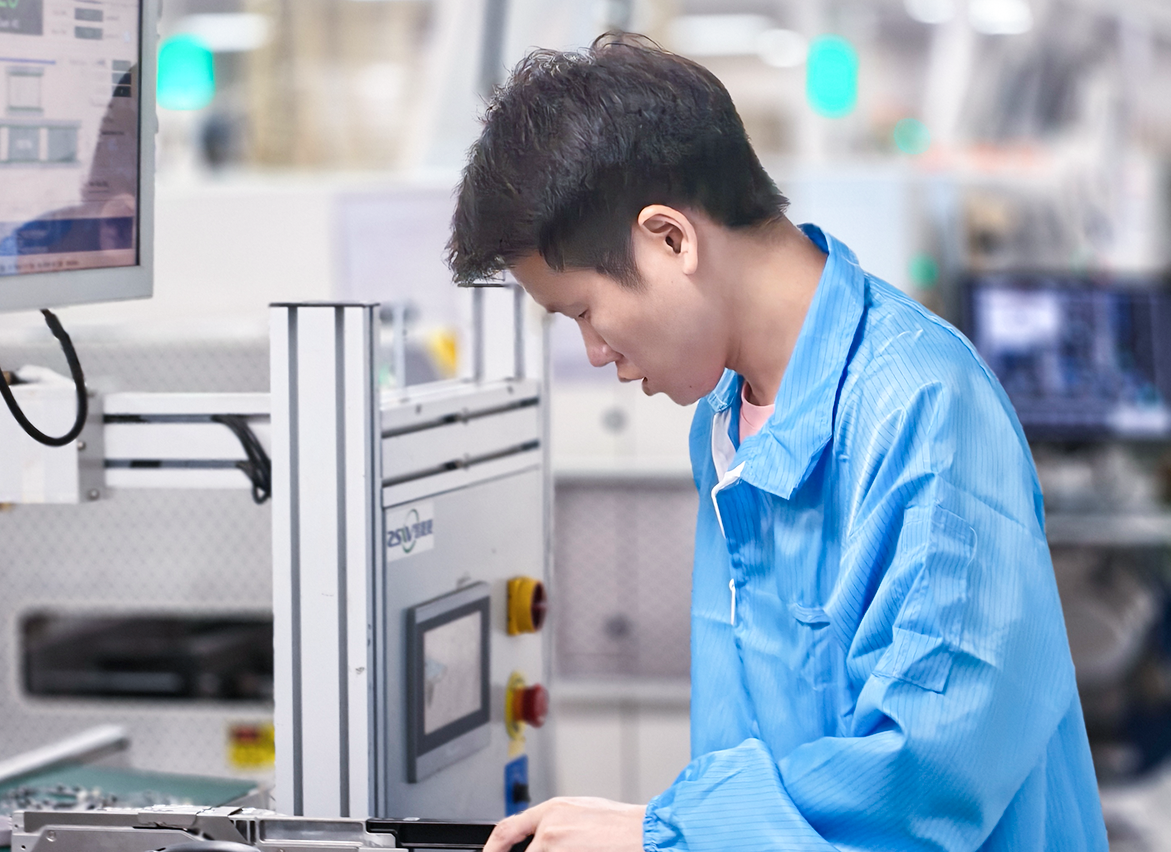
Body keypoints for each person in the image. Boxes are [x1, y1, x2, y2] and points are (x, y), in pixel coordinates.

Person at [448, 33, 1107, 852]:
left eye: (582, 311)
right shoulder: (725, 423)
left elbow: (925, 778)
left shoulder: (925, 409)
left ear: (670, 239)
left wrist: (661, 832)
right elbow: (760, 753)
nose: (593, 351)